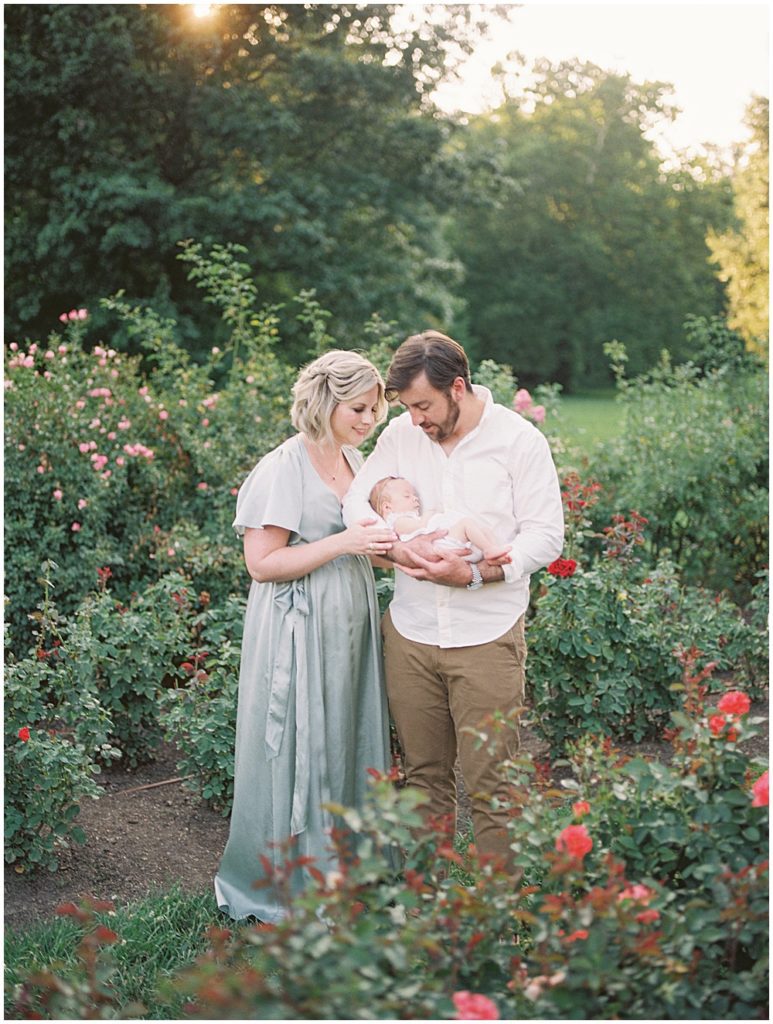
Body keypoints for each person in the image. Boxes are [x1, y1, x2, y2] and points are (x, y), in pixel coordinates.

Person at [342, 330, 564, 869]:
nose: (414, 419)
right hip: (412, 632)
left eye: (423, 405)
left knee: (492, 782)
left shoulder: (517, 442)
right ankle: (429, 909)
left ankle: (493, 919)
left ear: (457, 387)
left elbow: (545, 536)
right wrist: (401, 551)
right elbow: (356, 503)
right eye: (408, 407)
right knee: (423, 777)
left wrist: (472, 572)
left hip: (486, 636)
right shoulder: (401, 435)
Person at [215, 349, 398, 922]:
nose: (370, 420)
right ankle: (289, 878)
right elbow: (263, 563)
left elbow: (364, 535)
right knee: (302, 739)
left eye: (375, 409)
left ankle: (346, 862)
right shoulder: (283, 467)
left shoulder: (351, 457)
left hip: (349, 621)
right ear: (326, 400)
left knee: (346, 733)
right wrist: (346, 544)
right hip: (297, 625)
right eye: (359, 408)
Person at [368, 475, 512, 565]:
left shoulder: (406, 517)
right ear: (387, 507)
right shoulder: (397, 521)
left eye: (414, 495)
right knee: (466, 524)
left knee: (483, 530)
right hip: (442, 546)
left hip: (445, 544)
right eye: (407, 496)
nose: (415, 498)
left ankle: (494, 551)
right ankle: (489, 550)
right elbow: (421, 525)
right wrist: (429, 513)